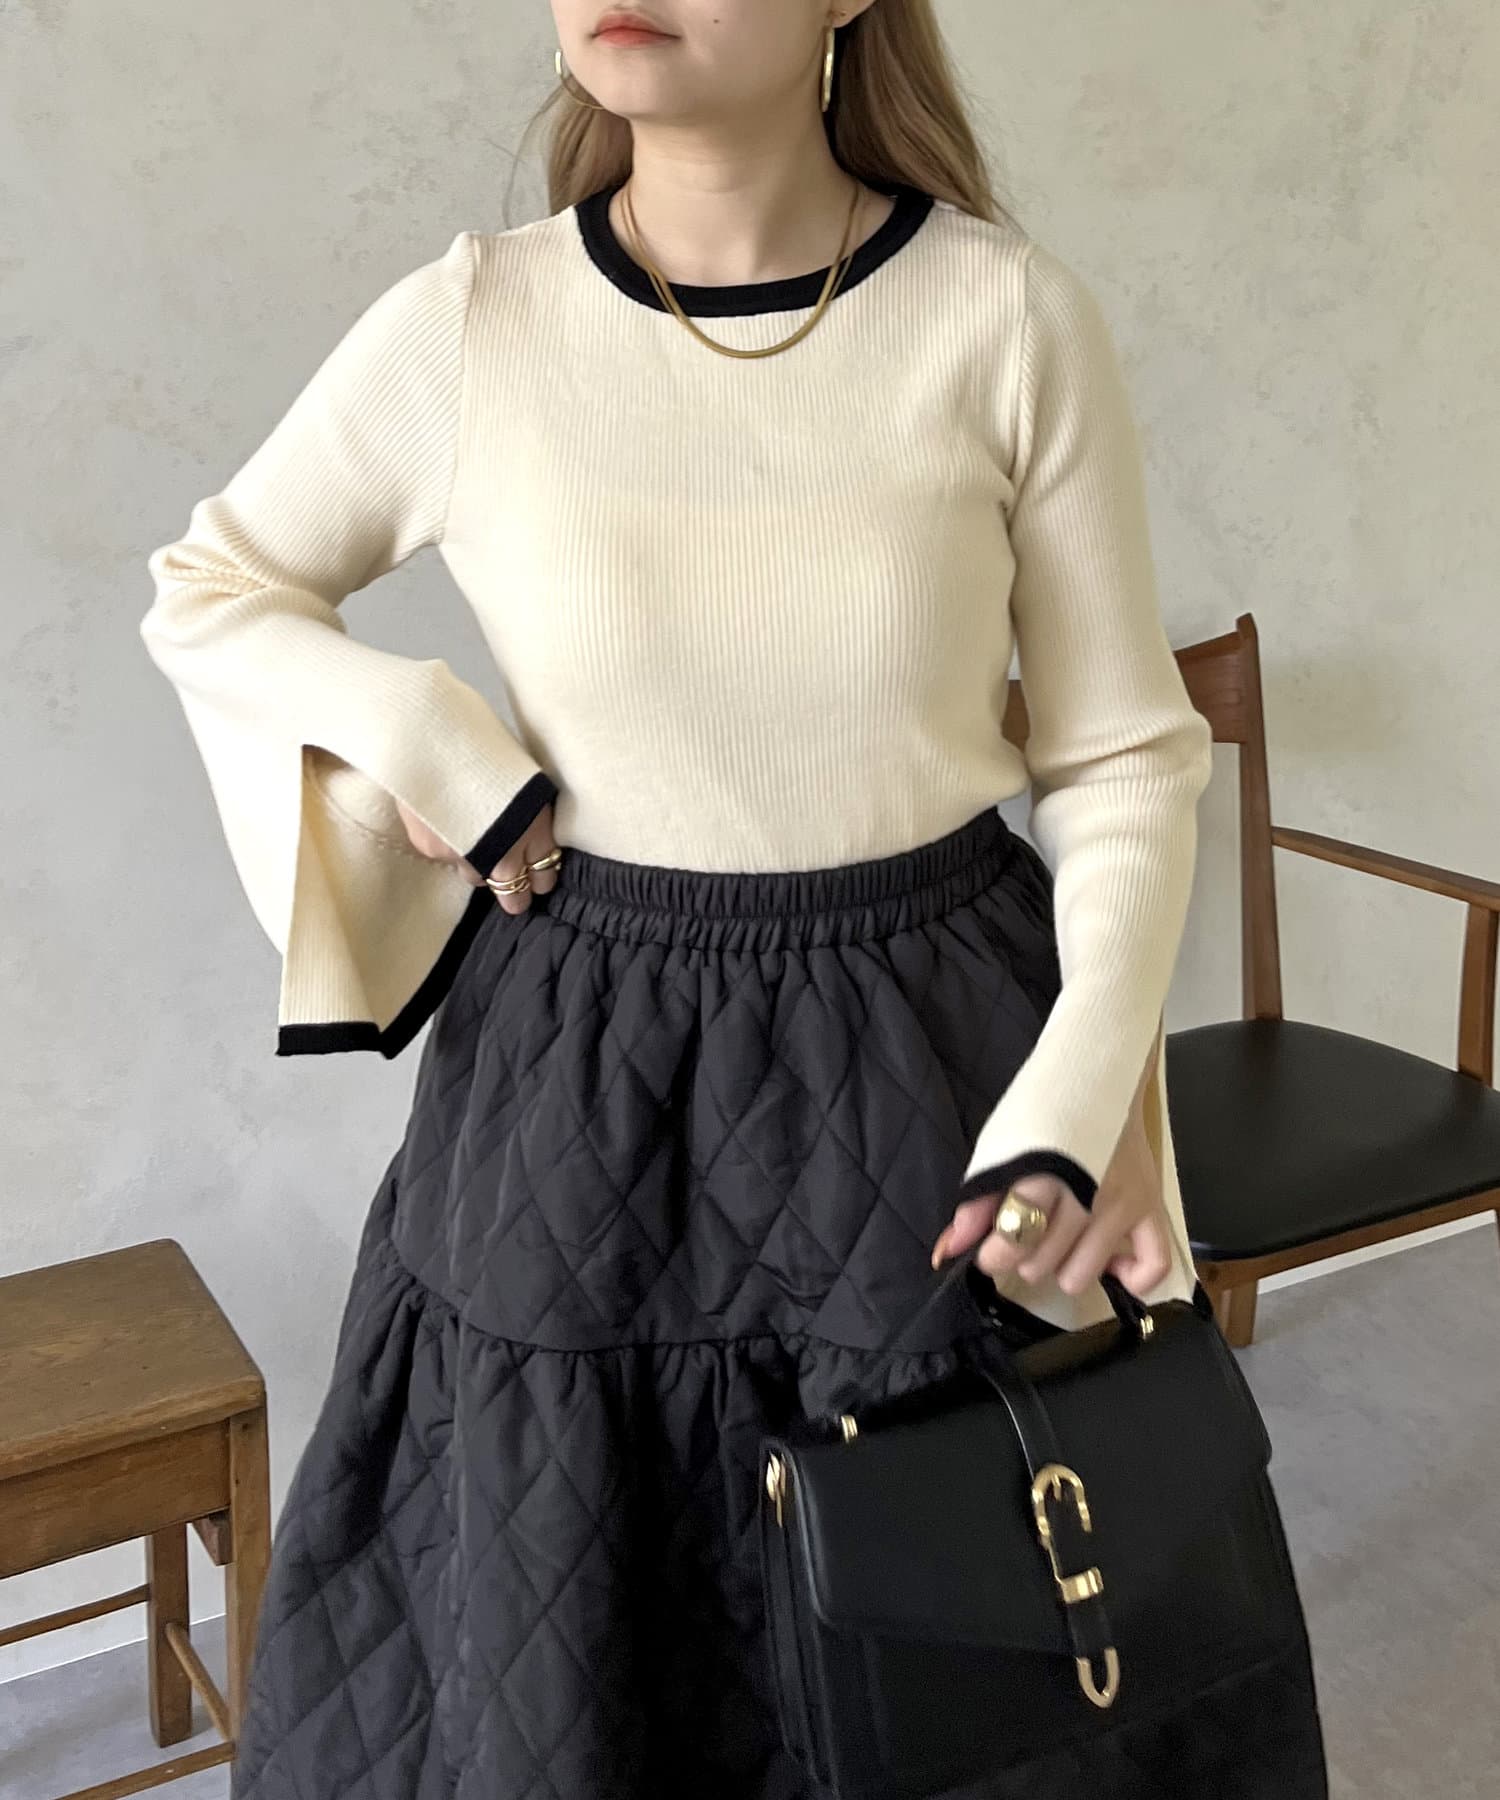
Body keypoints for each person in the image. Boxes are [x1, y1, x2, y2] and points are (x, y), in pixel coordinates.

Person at [138, 2, 1216, 1795]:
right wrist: (421, 734)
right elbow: (214, 588)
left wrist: (1084, 1092)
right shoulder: (475, 322)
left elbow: (1120, 756)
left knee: (959, 1646)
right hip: (577, 1082)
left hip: (934, 1064)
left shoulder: (1007, 316)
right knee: (569, 1647)